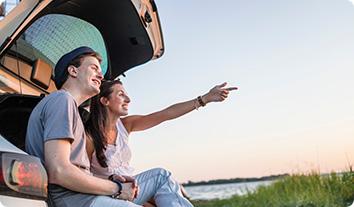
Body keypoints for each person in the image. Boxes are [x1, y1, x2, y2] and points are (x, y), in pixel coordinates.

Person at [85, 79, 237, 206]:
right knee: (161, 176)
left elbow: (166, 114)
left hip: (134, 189)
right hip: (109, 194)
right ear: (105, 100)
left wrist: (205, 98)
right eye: (121, 94)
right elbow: (81, 176)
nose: (128, 99)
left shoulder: (126, 125)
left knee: (173, 187)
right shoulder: (89, 136)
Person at [25, 47, 142, 207]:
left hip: (83, 197)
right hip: (74, 200)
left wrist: (109, 179)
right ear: (73, 71)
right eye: (94, 68)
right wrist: (117, 188)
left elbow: (75, 170)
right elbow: (59, 171)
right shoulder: (62, 100)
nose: (101, 76)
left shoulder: (70, 108)